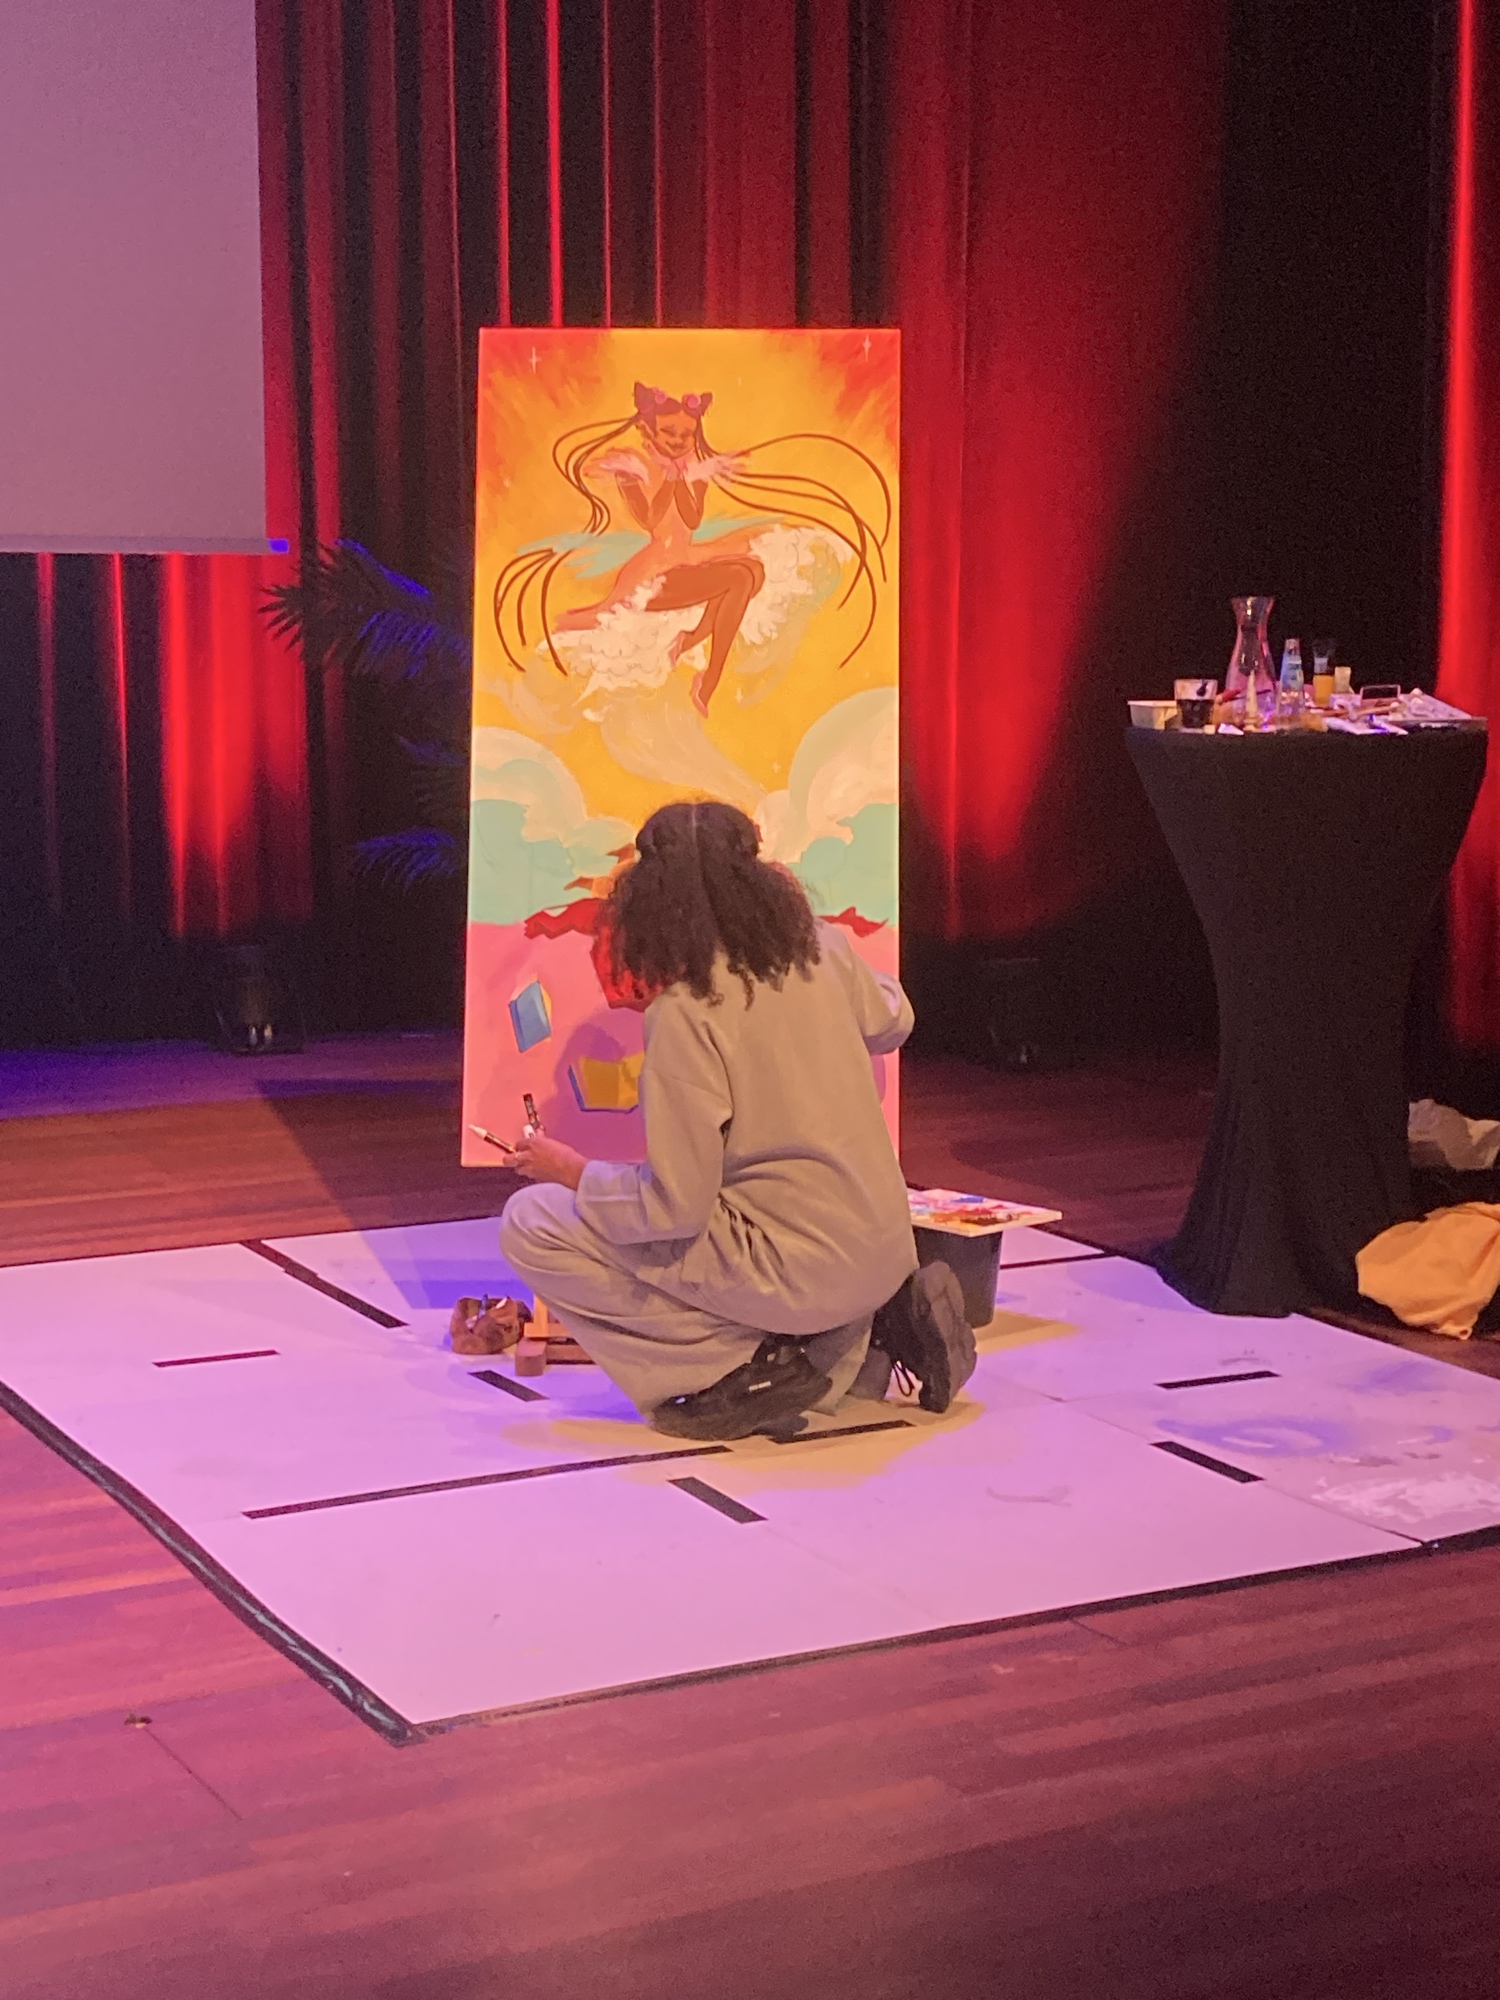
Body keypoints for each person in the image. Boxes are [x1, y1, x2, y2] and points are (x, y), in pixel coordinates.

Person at [499, 800, 974, 1441]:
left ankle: (740, 1373)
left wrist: (574, 1173)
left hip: (804, 1267)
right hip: (887, 1249)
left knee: (533, 1221)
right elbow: (896, 1018)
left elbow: (674, 1209)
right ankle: (876, 1327)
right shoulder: (825, 950)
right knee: (753, 1225)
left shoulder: (686, 1012)